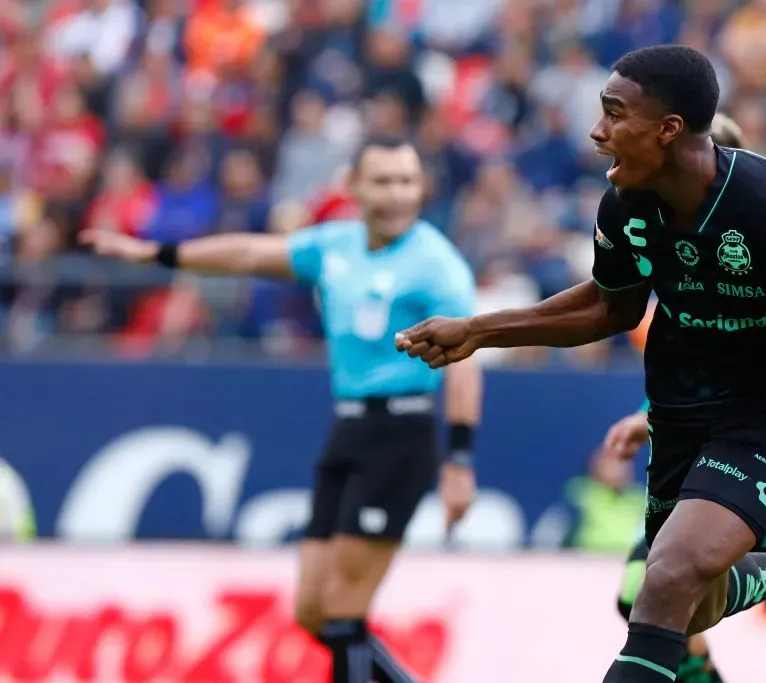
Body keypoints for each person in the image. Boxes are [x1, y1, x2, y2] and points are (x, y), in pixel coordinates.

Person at [395, 45, 766, 683]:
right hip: (682, 409)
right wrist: (478, 331)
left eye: (612, 114)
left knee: (663, 586)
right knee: (681, 606)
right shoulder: (626, 205)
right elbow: (611, 307)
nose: (597, 132)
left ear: (669, 129)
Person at [82, 134, 483, 683]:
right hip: (347, 431)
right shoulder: (335, 246)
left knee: (344, 613)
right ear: (354, 187)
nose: (396, 195)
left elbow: (465, 363)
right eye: (384, 181)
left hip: (401, 433)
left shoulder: (437, 265)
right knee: (312, 612)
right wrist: (160, 254)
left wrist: (459, 459)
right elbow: (249, 253)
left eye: (407, 182)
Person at [604, 113, 766, 683]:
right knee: (655, 600)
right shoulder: (671, 255)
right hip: (711, 454)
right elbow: (703, 377)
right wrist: (646, 415)